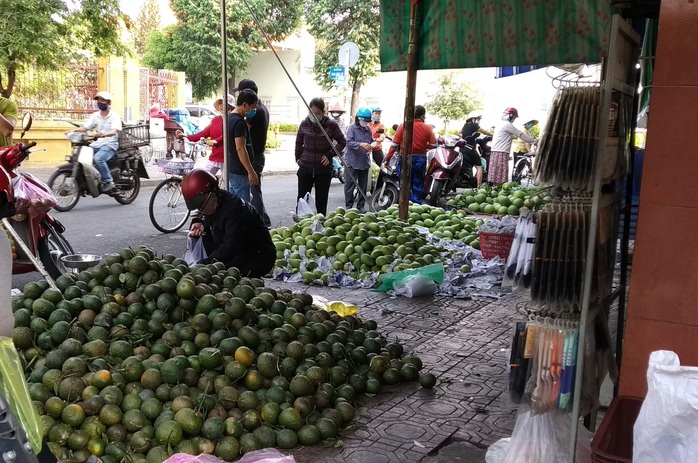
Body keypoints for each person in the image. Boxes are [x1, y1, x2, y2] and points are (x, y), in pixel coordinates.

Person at [182, 169, 275, 277]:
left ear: (212, 191)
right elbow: (205, 217)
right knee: (206, 240)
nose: (201, 208)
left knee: (222, 274)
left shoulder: (234, 210)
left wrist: (204, 264)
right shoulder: (214, 203)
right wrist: (199, 222)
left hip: (257, 255)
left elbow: (231, 245)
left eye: (202, 204)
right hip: (238, 248)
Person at [295, 97, 346, 216]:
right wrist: (298, 157)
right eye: (312, 113)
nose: (314, 116)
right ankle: (301, 223)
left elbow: (342, 142)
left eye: (318, 113)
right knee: (302, 200)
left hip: (323, 170)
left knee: (321, 201)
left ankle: (320, 225)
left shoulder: (331, 125)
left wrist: (330, 155)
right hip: (305, 167)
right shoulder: (304, 124)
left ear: (323, 112)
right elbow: (298, 142)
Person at [233, 79, 272, 228]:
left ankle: (261, 223)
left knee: (253, 190)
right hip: (258, 154)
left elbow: (242, 137)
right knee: (255, 190)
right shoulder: (262, 108)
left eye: (242, 93)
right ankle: (264, 220)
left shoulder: (253, 112)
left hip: (253, 156)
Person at [67, 91, 122, 192]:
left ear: (108, 103)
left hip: (109, 145)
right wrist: (73, 131)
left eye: (103, 100)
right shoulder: (95, 115)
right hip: (97, 144)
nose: (100, 102)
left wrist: (103, 134)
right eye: (98, 100)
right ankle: (94, 178)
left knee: (98, 158)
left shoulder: (114, 116)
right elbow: (85, 128)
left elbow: (114, 131)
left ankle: (109, 181)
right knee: (82, 157)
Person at [386, 105, 436, 204]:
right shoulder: (428, 128)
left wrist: (387, 159)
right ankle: (416, 209)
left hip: (404, 158)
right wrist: (422, 147)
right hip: (420, 159)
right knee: (417, 185)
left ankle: (404, 207)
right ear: (423, 116)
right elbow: (434, 145)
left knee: (404, 185)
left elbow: (394, 145)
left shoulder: (403, 125)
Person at [175, 96, 231, 176]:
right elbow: (203, 134)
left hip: (227, 157)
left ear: (230, 106)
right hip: (214, 156)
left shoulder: (232, 119)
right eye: (220, 103)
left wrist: (216, 141)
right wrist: (186, 136)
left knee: (229, 184)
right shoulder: (215, 120)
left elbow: (229, 134)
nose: (222, 106)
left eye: (224, 103)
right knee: (204, 179)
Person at [489, 107, 537, 186]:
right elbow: (520, 134)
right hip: (502, 152)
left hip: (495, 151)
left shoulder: (499, 123)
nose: (514, 119)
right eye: (514, 117)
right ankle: (499, 191)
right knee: (500, 176)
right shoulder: (508, 125)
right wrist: (535, 141)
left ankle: (494, 189)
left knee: (495, 174)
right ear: (510, 116)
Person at [227, 89, 259, 202]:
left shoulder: (229, 118)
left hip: (232, 168)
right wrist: (250, 171)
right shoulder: (239, 122)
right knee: (244, 207)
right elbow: (240, 148)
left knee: (233, 205)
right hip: (240, 171)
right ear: (245, 105)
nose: (254, 110)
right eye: (253, 107)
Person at [343, 107, 374, 212]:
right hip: (351, 161)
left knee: (363, 186)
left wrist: (371, 146)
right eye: (364, 121)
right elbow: (348, 142)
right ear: (358, 119)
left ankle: (360, 207)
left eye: (367, 121)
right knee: (349, 186)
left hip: (364, 162)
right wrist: (360, 144)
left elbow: (371, 141)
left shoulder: (368, 129)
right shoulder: (351, 128)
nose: (366, 123)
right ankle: (349, 207)